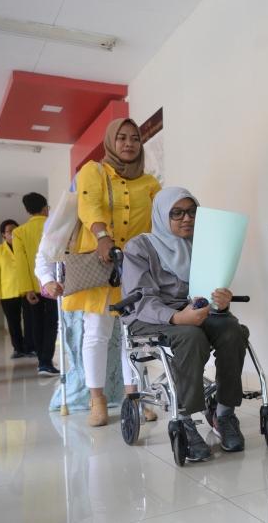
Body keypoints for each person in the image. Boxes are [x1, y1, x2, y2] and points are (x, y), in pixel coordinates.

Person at [121, 187, 249, 460]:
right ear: (161, 215)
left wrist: (221, 301)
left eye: (192, 212)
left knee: (232, 331)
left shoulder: (203, 244)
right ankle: (186, 418)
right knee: (190, 336)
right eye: (177, 213)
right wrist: (178, 317)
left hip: (193, 314)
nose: (187, 218)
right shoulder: (140, 247)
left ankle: (224, 414)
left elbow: (212, 287)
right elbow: (139, 299)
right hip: (150, 318)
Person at [62, 118, 161, 427]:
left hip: (135, 268)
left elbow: (160, 219)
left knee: (135, 336)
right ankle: (97, 400)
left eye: (134, 138)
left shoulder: (150, 183)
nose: (129, 143)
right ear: (110, 141)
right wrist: (102, 235)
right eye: (121, 138)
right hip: (101, 262)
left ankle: (135, 398)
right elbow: (89, 205)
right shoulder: (93, 171)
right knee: (97, 333)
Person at [13, 193, 59, 377]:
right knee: (52, 323)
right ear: (45, 208)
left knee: (37, 324)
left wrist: (27, 290)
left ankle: (42, 362)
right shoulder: (53, 225)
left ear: (27, 210)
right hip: (55, 284)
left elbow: (21, 263)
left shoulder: (19, 232)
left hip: (34, 286)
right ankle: (47, 361)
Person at [0, 219, 30, 358]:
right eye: (9, 231)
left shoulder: (24, 246)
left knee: (30, 320)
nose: (13, 233)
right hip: (8, 292)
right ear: (3, 235)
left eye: (15, 230)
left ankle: (30, 347)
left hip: (26, 290)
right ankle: (18, 349)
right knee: (14, 323)